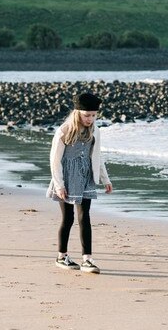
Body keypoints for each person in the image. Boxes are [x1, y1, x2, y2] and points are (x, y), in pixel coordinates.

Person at [47, 92, 113, 274]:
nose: (90, 119)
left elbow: (97, 157)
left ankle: (87, 259)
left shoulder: (95, 131)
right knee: (67, 218)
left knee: (85, 217)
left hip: (86, 178)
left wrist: (105, 179)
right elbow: (54, 160)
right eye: (87, 115)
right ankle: (61, 256)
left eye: (93, 115)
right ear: (77, 113)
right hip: (66, 179)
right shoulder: (64, 130)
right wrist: (59, 185)